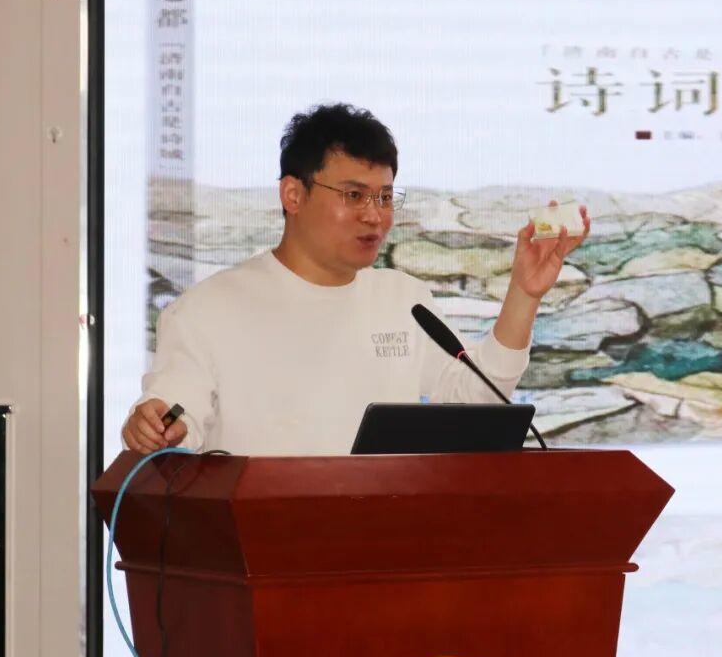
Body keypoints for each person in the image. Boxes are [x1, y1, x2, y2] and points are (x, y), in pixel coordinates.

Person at [121, 104, 589, 455]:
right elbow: (174, 415)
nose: (375, 215)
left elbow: (477, 402)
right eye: (354, 195)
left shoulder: (404, 300)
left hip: (384, 545)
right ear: (293, 194)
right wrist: (154, 425)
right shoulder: (207, 310)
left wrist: (524, 293)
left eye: (385, 197)